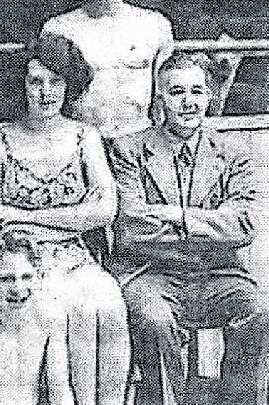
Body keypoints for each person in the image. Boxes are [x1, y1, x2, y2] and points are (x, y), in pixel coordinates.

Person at [109, 52, 269, 405]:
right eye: (176, 92)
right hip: (151, 274)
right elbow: (132, 229)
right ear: (159, 99)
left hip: (218, 273)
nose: (188, 102)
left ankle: (237, 401)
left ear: (210, 96)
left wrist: (176, 216)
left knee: (259, 311)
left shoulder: (234, 152)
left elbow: (245, 224)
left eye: (196, 92)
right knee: (151, 319)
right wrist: (211, 226)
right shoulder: (128, 149)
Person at [0, 34, 129, 405]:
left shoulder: (84, 137)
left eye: (56, 82)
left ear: (69, 85)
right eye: (36, 82)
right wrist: (71, 217)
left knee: (110, 306)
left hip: (75, 258)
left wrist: (26, 219)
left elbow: (104, 209)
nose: (46, 93)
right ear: (22, 85)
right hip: (18, 264)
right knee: (69, 311)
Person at [41, 0, 174, 140]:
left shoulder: (154, 26)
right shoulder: (60, 29)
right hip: (82, 144)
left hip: (139, 141)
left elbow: (165, 99)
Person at [0, 231, 75, 405]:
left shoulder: (49, 313)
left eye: (26, 277)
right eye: (7, 279)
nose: (18, 288)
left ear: (38, 275)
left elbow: (60, 390)